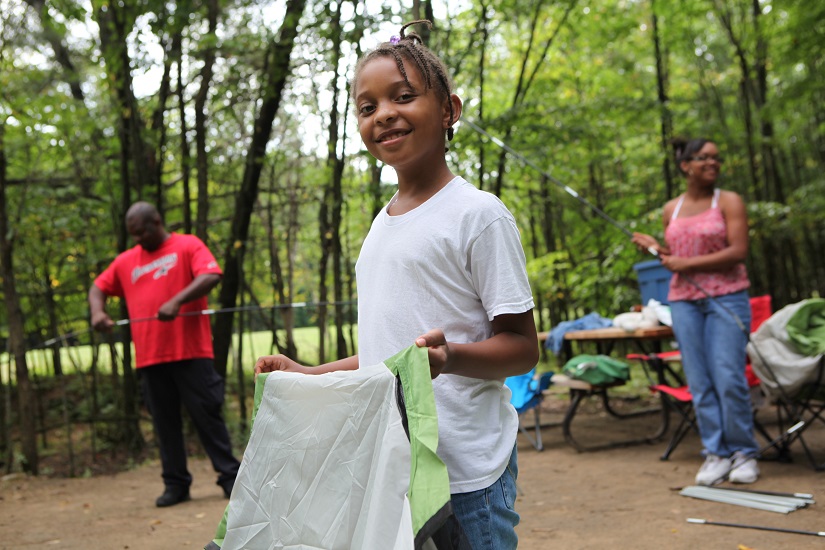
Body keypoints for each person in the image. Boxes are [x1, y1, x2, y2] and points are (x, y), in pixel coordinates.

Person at [254, 20, 538, 549]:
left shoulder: (479, 215)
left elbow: (522, 350)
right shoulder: (379, 228)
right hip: (397, 469)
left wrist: (449, 358)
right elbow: (382, 356)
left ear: (450, 110)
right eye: (367, 107)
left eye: (403, 96)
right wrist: (308, 373)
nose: (384, 112)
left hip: (467, 475)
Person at [88, 202, 240, 507]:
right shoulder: (127, 261)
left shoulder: (187, 245)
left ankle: (230, 478)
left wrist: (176, 301)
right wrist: (97, 312)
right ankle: (176, 484)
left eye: (141, 231)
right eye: (133, 234)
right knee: (164, 424)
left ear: (156, 221)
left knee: (207, 416)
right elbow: (97, 287)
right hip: (151, 357)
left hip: (191, 353)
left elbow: (211, 275)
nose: (138, 238)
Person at [632, 138, 759, 486]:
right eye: (704, 158)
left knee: (728, 376)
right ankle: (715, 453)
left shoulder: (729, 201)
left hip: (727, 298)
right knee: (699, 379)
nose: (713, 163)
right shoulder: (671, 208)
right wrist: (658, 249)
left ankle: (743, 452)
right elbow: (676, 254)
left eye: (717, 158)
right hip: (684, 301)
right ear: (685, 165)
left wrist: (683, 262)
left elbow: (738, 251)